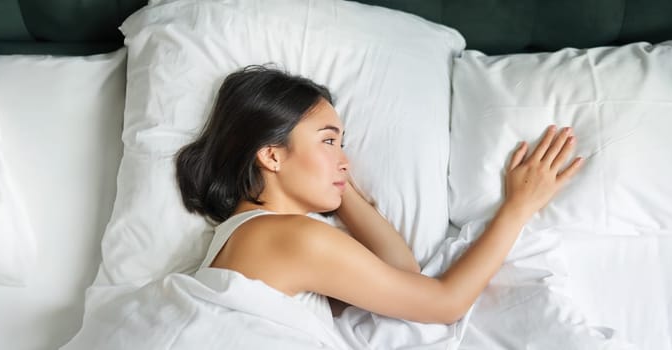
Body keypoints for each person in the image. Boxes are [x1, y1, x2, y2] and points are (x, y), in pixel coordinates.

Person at [175, 65, 584, 325]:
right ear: (271, 155)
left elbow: (401, 273)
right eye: (329, 141)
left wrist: (339, 185)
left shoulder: (245, 234)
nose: (344, 159)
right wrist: (518, 207)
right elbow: (443, 305)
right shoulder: (294, 238)